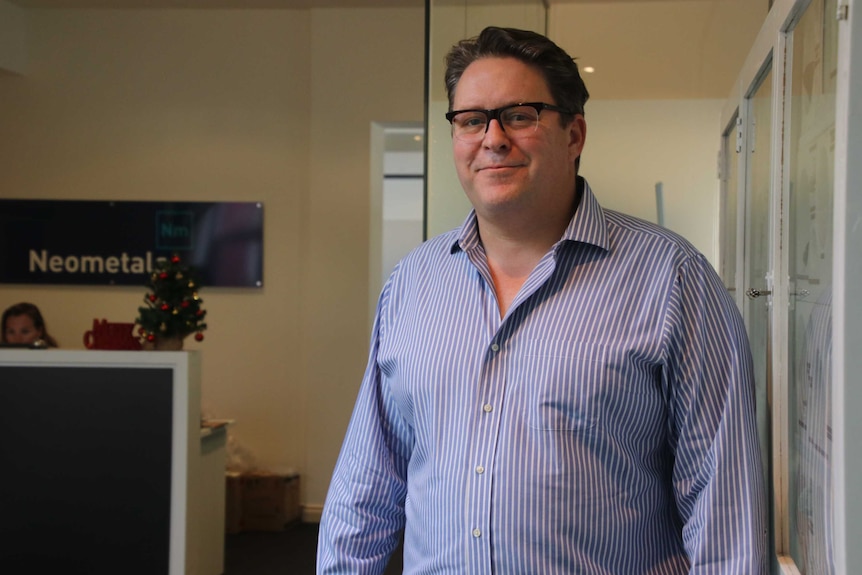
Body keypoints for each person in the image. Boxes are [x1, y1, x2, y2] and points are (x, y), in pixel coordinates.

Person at [318, 26, 766, 574]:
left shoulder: (672, 279)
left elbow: (724, 501)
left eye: (520, 115)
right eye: (471, 120)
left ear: (574, 134)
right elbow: (368, 480)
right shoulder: (413, 283)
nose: (493, 138)